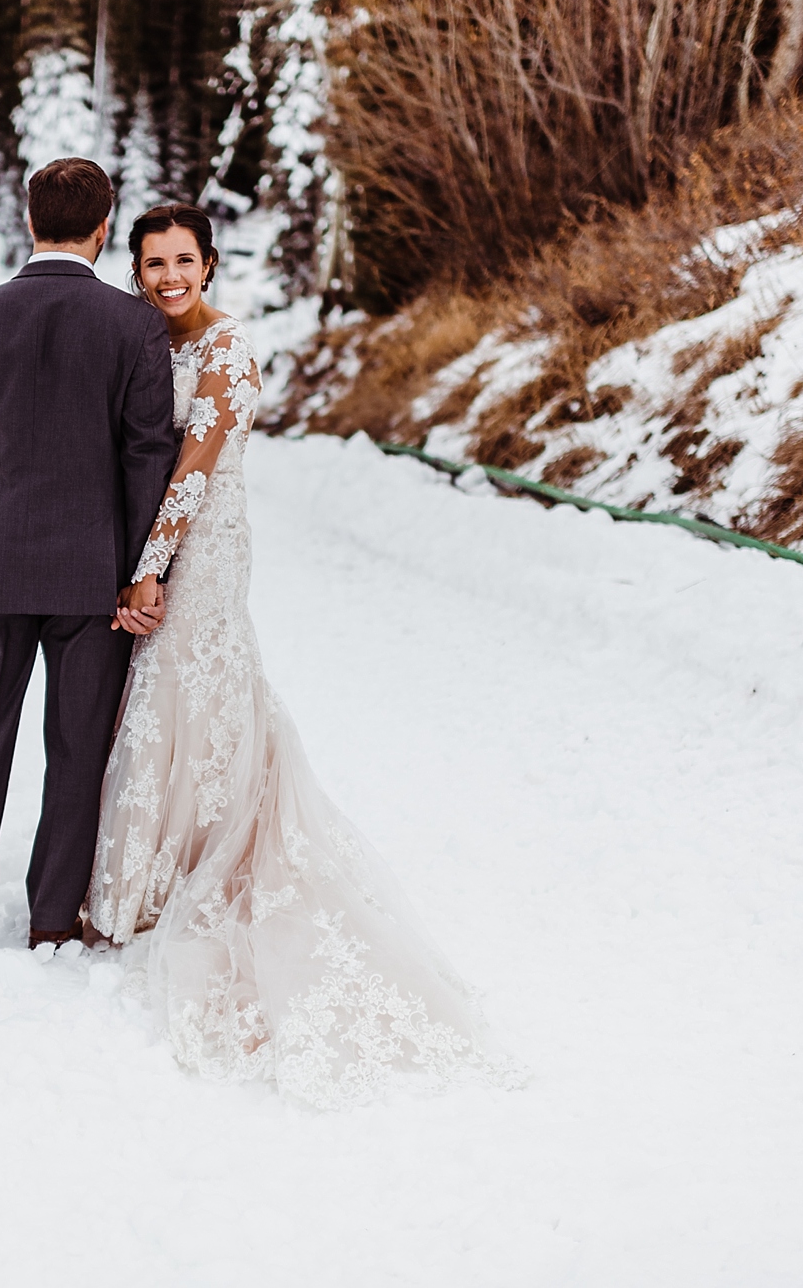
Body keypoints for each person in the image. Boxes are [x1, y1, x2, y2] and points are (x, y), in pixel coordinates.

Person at [87, 203, 522, 1107]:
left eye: (183, 261)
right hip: (155, 545)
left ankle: (202, 861)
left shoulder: (228, 349)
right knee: (162, 690)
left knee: (193, 679)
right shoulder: (141, 341)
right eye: (152, 263)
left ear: (208, 265)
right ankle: (156, 864)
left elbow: (195, 465)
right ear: (135, 271)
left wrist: (149, 568)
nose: (168, 277)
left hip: (203, 544)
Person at [0, 159, 181, 949]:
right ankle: (50, 919)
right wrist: (141, 570)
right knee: (75, 751)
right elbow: (146, 457)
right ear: (105, 227)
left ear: (28, 221)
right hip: (91, 576)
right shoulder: (133, 326)